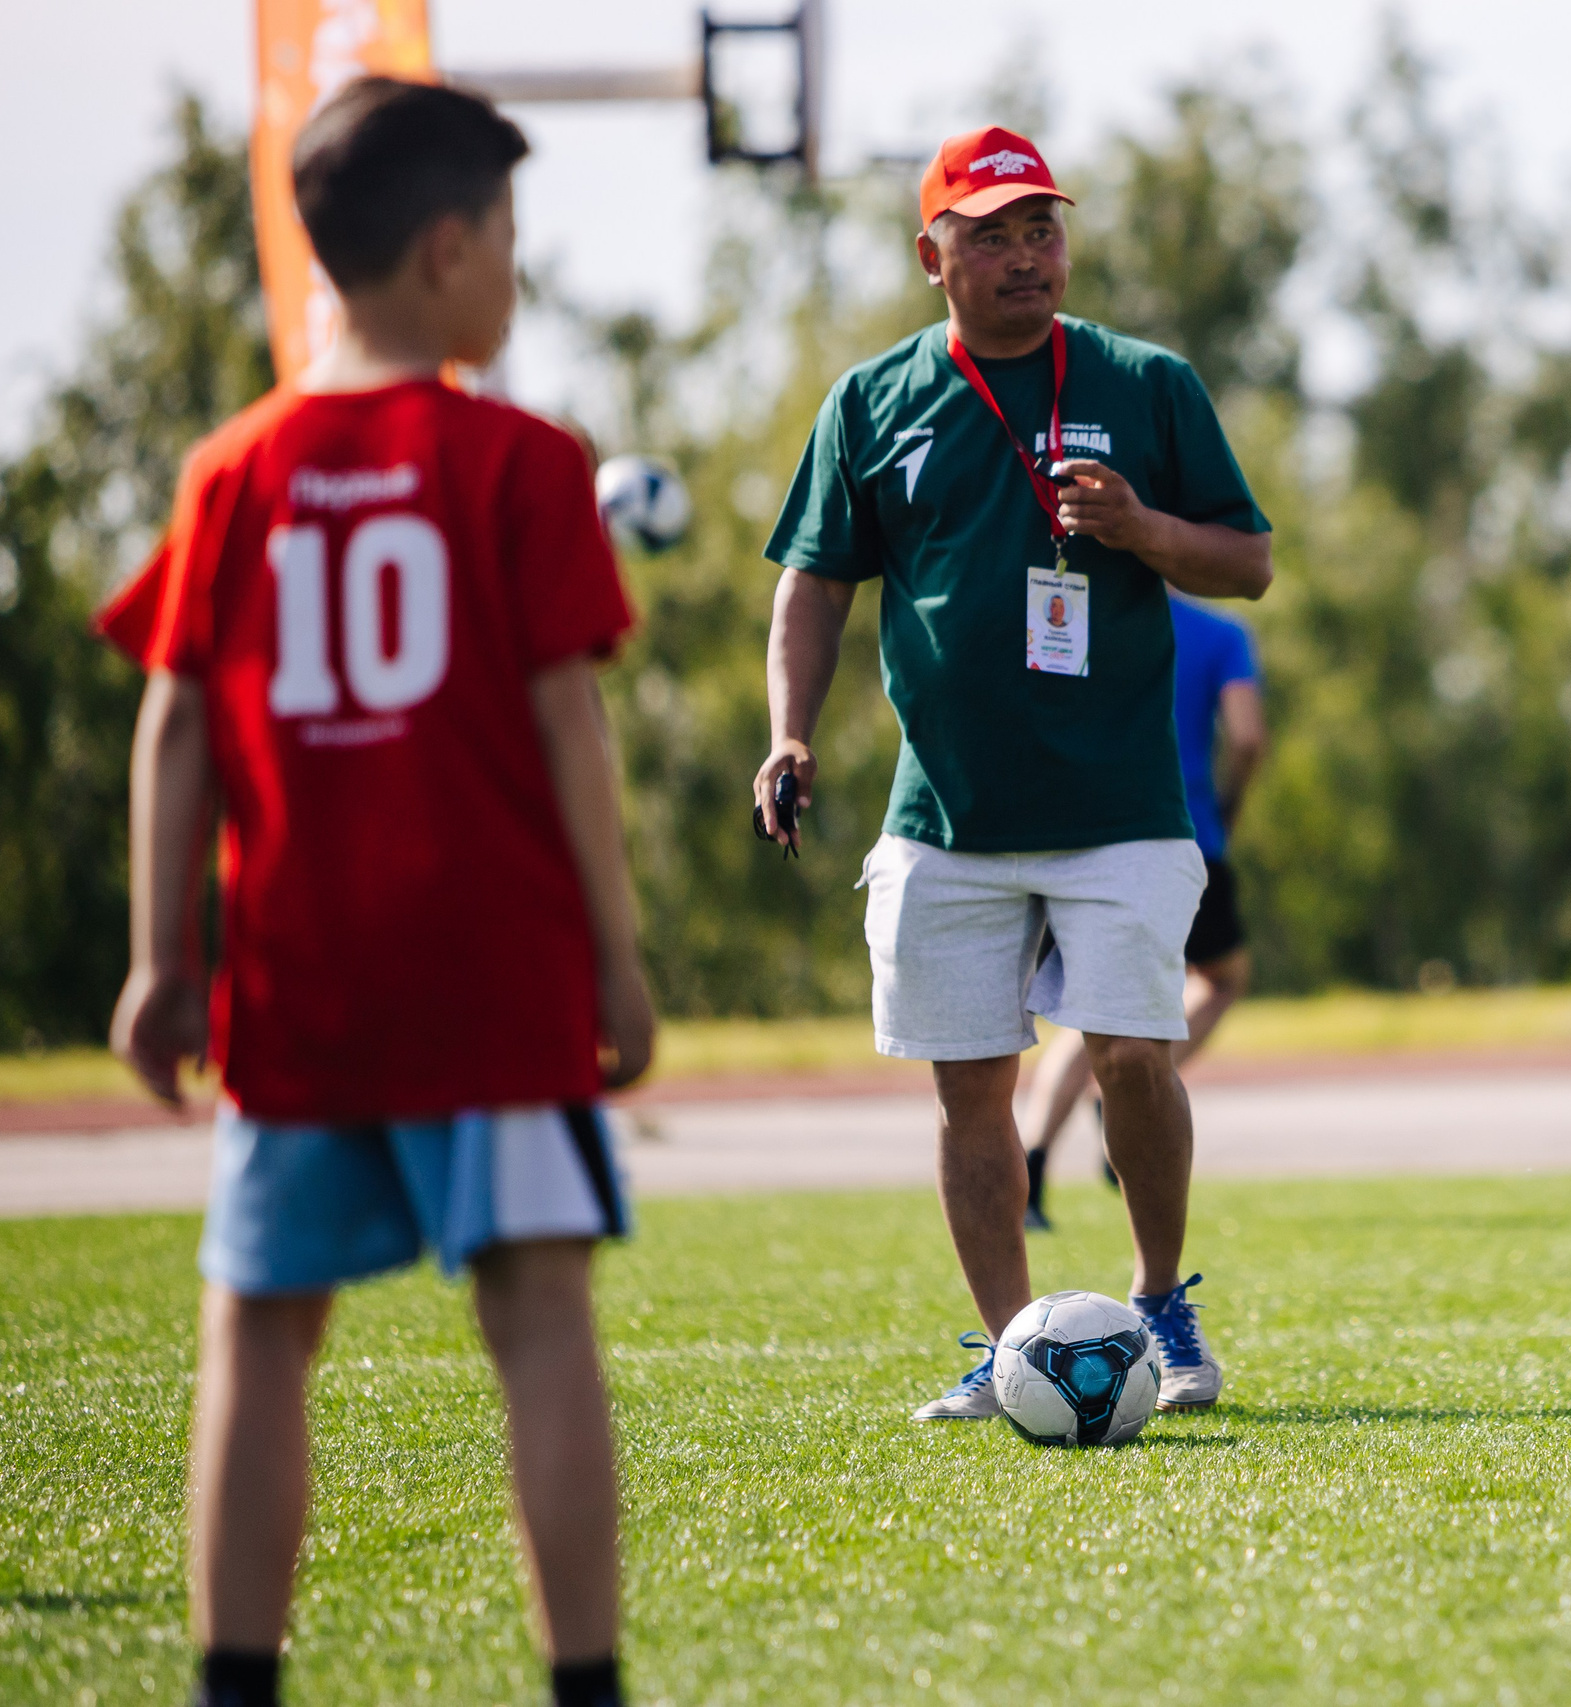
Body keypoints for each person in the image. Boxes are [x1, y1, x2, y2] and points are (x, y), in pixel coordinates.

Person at [103, 78, 652, 1707]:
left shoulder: (233, 470)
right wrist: (617, 956)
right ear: (444, 250)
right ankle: (585, 1681)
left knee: (261, 1326)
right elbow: (569, 722)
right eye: (508, 238)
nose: (516, 272)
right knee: (539, 1315)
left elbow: (174, 724)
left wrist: (158, 959)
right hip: (493, 974)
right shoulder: (523, 460)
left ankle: (234, 1679)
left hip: (300, 972)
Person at [753, 127, 1273, 1421]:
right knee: (969, 1088)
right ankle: (1011, 1349)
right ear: (931, 258)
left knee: (1134, 1054)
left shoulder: (1145, 381)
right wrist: (789, 730)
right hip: (945, 813)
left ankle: (1161, 1302)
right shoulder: (870, 401)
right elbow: (813, 581)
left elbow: (1248, 562)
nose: (1027, 253)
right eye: (990, 235)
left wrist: (1141, 527)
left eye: (1042, 228)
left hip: (1121, 805)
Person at [1019, 594, 1267, 1230]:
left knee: (1091, 1009)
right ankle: (1131, 1088)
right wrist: (1228, 808)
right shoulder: (1220, 633)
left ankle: (1032, 1169)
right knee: (1222, 978)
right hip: (1185, 834)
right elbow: (1247, 737)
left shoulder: (1075, 613)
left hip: (1088, 838)